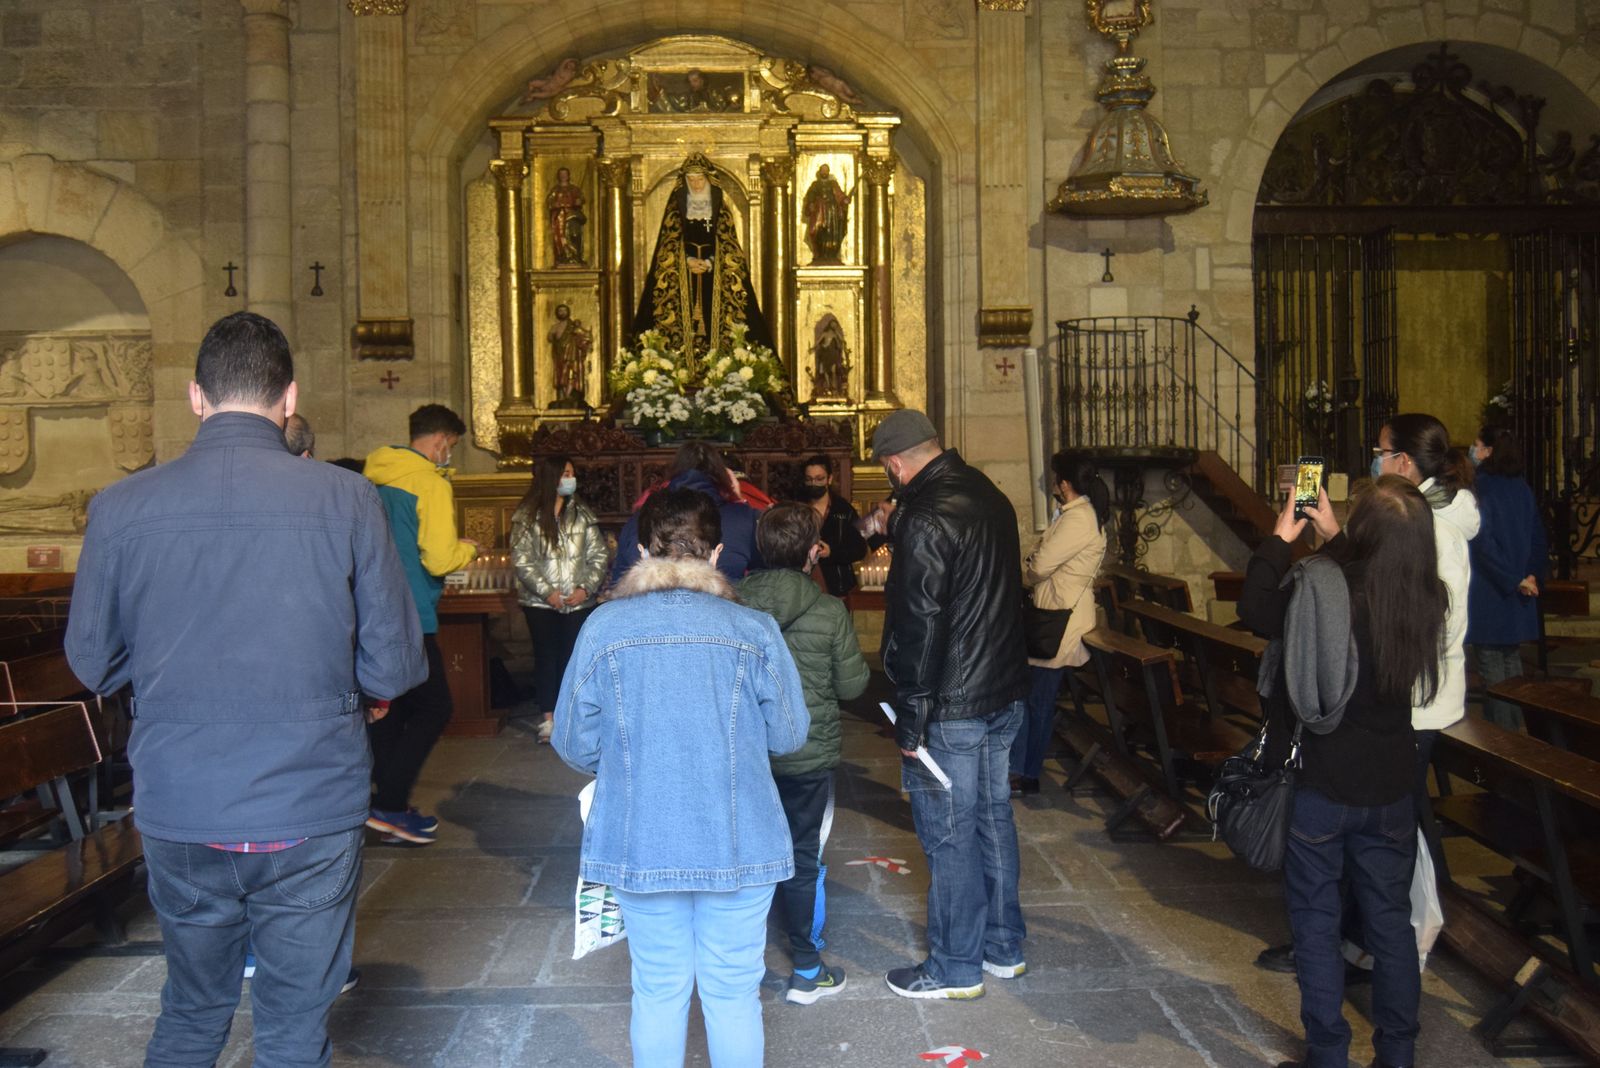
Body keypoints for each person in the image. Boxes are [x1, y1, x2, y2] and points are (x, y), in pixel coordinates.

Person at [65, 311, 427, 1067]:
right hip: (310, 799)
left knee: (193, 1012)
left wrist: (170, 683)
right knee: (294, 1025)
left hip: (182, 801)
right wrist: (347, 689)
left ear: (196, 397)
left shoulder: (119, 508)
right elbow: (394, 667)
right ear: (288, 398)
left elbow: (91, 664)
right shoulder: (347, 500)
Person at [553, 488, 809, 1067]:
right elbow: (791, 735)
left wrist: (626, 759)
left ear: (642, 550)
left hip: (642, 837)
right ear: (717, 554)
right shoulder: (755, 629)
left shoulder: (604, 628)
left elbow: (572, 741)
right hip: (740, 836)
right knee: (733, 992)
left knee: (658, 988)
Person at [1259, 411, 1482, 976]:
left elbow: (1427, 624)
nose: (1376, 458)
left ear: (1404, 462)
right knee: (1375, 845)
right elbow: (1386, 584)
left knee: (1378, 848)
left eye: (1381, 451)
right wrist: (1336, 536)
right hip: (1389, 701)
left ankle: (1357, 942)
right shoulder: (1410, 521)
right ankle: (1356, 941)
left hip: (1411, 707)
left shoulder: (1439, 532)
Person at [1240, 478, 1448, 1068]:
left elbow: (1256, 608)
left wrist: (1284, 536)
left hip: (1324, 783)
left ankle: (1329, 1054)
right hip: (1392, 786)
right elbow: (1369, 572)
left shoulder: (1322, 586)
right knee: (1390, 924)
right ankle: (1398, 1056)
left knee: (1315, 920)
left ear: (1366, 532)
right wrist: (1337, 534)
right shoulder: (1425, 594)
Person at [873, 408, 1029, 999]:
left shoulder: (924, 515)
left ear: (894, 463)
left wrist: (911, 717)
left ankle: (954, 967)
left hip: (955, 704)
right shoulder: (990, 493)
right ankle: (1002, 946)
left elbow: (922, 623)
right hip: (1003, 691)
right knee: (992, 817)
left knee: (950, 832)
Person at [737, 503, 870, 1005]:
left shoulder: (733, 606)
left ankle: (740, 967)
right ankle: (808, 970)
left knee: (746, 854)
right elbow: (854, 684)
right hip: (807, 756)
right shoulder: (829, 610)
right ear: (813, 552)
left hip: (749, 755)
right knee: (802, 856)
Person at [363, 405, 479, 843]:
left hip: (376, 605)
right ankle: (389, 805)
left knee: (393, 705)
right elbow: (438, 557)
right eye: (450, 446)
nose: (447, 453)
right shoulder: (428, 482)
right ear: (440, 441)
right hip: (413, 609)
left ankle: (382, 800)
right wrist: (467, 549)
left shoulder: (373, 474)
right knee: (435, 707)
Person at [1012, 450, 1109, 795]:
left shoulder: (1078, 519)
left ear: (1065, 483)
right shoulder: (1075, 515)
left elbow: (1038, 566)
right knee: (1033, 697)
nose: (1052, 483)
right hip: (1055, 615)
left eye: (1055, 478)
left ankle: (1027, 773)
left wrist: (1032, 562)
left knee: (1037, 700)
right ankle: (1023, 768)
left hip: (1060, 623)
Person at [631, 154, 772, 358]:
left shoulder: (720, 210)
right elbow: (668, 244)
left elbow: (728, 245)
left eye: (700, 179)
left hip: (715, 276)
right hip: (681, 276)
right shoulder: (676, 210)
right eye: (691, 179)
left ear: (708, 179)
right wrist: (687, 260)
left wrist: (710, 262)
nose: (696, 184)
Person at [511, 454, 608, 744]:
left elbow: (599, 554)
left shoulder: (582, 514)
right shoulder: (527, 516)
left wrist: (585, 588)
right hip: (541, 602)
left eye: (571, 474)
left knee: (573, 658)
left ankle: (572, 718)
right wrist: (547, 592)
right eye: (565, 473)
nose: (570, 479)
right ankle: (548, 719)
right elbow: (522, 559)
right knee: (546, 657)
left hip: (578, 600)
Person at [1466, 425, 1548, 732]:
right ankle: (1520, 743)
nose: (1472, 451)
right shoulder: (1522, 487)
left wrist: (1513, 578)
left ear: (1487, 451)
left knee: (1493, 677)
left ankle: (1503, 750)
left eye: (1476, 445)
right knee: (1513, 673)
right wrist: (1531, 575)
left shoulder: (1480, 488)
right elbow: (1539, 537)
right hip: (1519, 593)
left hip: (1491, 591)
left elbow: (1482, 543)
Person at [609, 441, 763, 586]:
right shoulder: (743, 516)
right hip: (728, 605)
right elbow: (762, 574)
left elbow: (619, 579)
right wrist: (740, 501)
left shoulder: (640, 519)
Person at [800, 453, 868, 597]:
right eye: (809, 479)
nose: (814, 484)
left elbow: (860, 549)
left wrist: (832, 552)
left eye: (819, 479)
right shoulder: (796, 509)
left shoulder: (845, 509)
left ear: (829, 479)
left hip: (837, 586)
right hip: (803, 586)